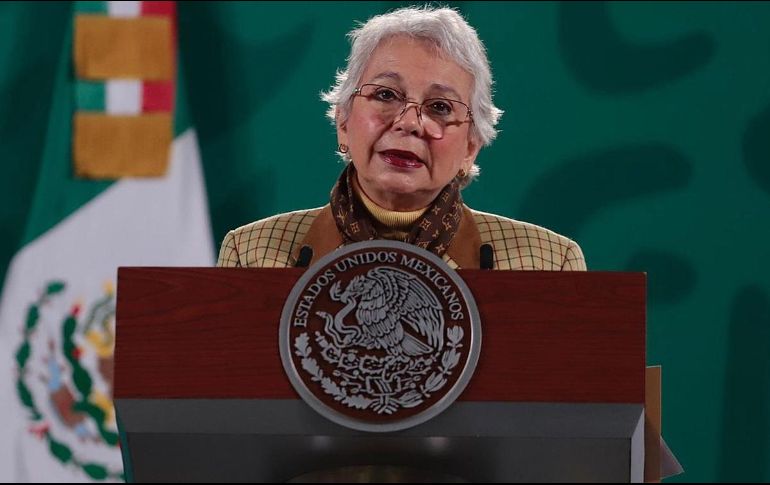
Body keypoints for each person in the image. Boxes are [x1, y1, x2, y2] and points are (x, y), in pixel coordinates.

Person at [216, 6, 586, 271]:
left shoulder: (550, 262)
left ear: (470, 147)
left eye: (440, 107)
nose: (409, 123)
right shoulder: (251, 254)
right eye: (385, 95)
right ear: (343, 120)